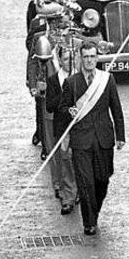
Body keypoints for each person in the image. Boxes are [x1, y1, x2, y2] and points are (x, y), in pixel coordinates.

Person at [59, 41, 125, 235]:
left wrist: (120, 135)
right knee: (86, 182)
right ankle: (89, 222)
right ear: (80, 58)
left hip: (103, 138)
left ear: (97, 58)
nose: (89, 60)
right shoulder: (71, 82)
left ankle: (93, 212)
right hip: (81, 141)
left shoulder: (107, 79)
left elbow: (116, 108)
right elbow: (62, 108)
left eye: (92, 57)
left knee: (102, 180)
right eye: (85, 57)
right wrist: (69, 111)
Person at [40, 45, 77, 214]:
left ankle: (78, 191)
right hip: (63, 127)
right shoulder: (53, 80)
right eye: (66, 59)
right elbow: (49, 105)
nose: (69, 62)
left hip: (81, 127)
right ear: (60, 61)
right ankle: (67, 196)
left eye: (71, 58)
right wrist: (65, 96)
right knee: (65, 159)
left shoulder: (80, 77)